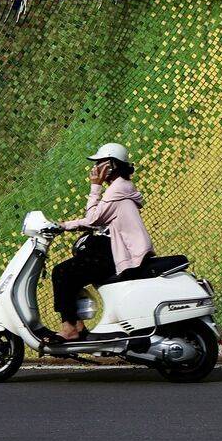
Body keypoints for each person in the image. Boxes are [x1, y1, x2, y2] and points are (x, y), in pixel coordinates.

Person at [51, 142, 152, 340]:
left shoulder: (118, 189)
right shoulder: (120, 187)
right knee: (71, 272)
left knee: (62, 272)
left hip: (117, 255)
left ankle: (70, 329)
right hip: (114, 250)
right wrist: (64, 225)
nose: (95, 168)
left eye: (100, 163)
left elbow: (93, 219)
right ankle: (77, 326)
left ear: (112, 165)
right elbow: (98, 220)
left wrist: (95, 187)